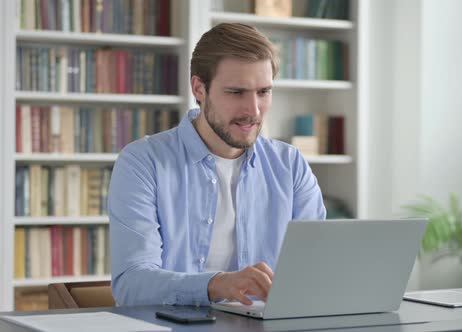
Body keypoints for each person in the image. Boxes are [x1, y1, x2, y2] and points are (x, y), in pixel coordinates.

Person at [108, 23, 326, 306]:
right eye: (236, 92)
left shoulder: (290, 164)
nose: (254, 111)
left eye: (263, 92)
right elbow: (132, 284)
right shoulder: (142, 163)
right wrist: (216, 285)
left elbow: (315, 271)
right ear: (199, 89)